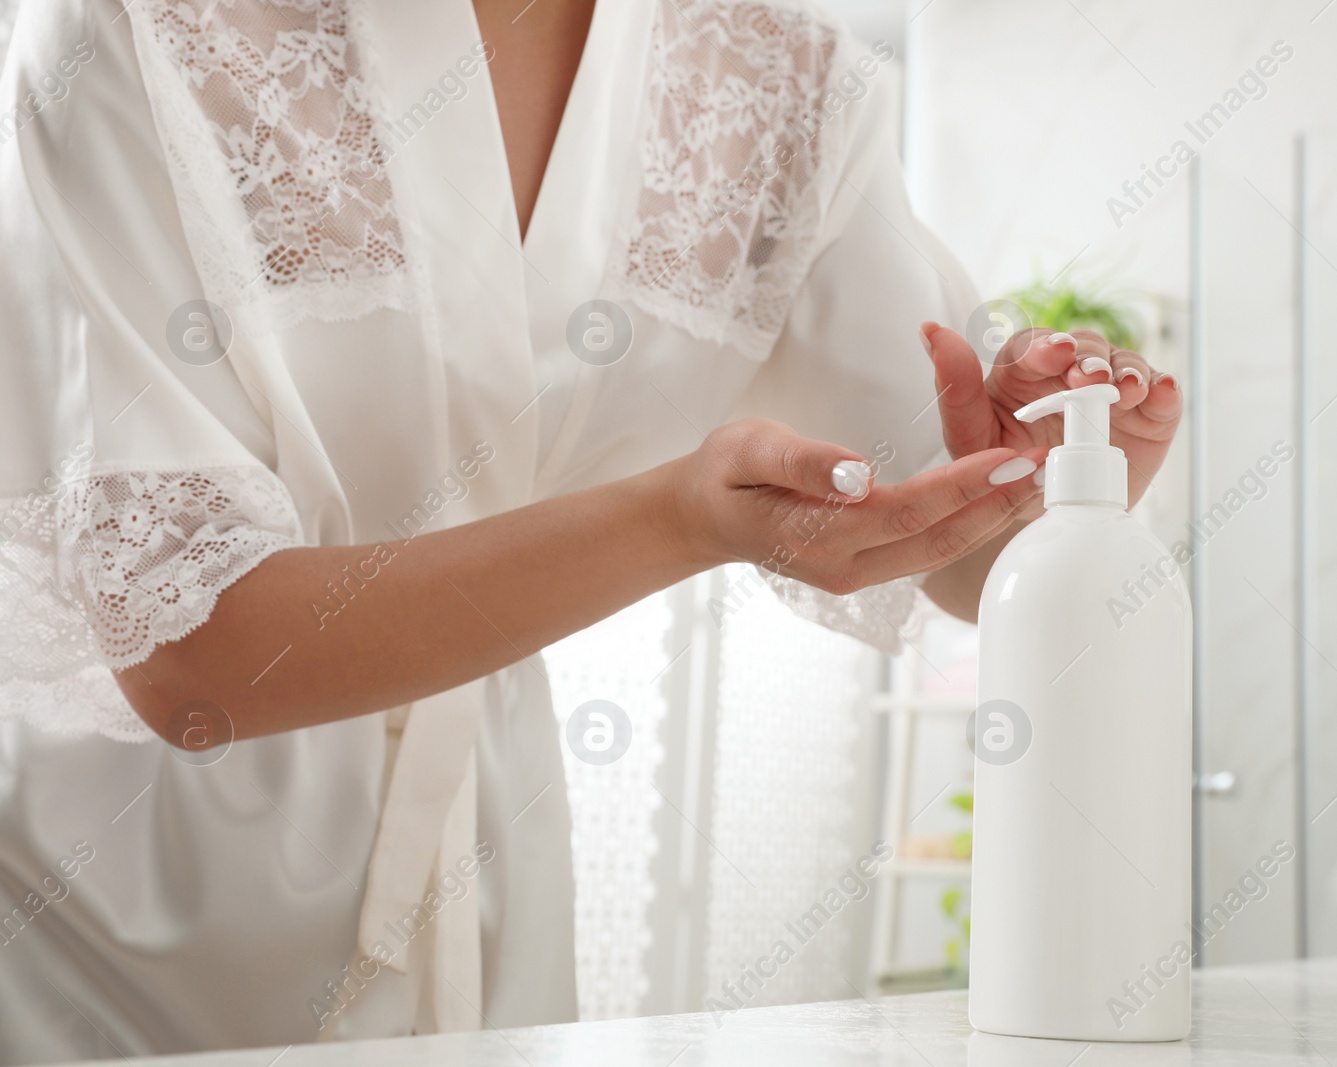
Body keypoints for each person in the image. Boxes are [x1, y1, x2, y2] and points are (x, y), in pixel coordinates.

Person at [0, 0, 1180, 1059]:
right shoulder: (130, 26)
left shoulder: (776, 80)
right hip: (117, 920)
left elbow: (938, 540)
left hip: (491, 876)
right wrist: (676, 518)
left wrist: (1047, 487)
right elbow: (186, 652)